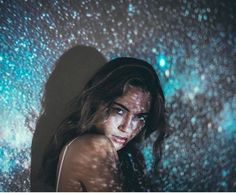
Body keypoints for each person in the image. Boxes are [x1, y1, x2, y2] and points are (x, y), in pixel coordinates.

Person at [39, 57, 167, 191]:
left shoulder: (110, 152)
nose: (127, 127)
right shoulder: (95, 147)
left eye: (139, 117)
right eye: (119, 110)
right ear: (98, 102)